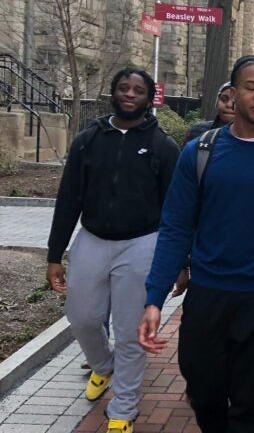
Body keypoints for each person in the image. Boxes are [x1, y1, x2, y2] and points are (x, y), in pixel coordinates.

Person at [138, 55, 254, 433]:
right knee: (203, 394)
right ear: (233, 95)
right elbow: (175, 228)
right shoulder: (200, 153)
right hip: (208, 294)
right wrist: (154, 297)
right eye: (251, 87)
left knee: (248, 402)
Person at [46, 67, 180, 433]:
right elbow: (68, 199)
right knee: (83, 317)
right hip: (92, 239)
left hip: (141, 243)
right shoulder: (88, 140)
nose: (131, 93)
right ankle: (104, 367)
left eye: (139, 89)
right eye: (124, 87)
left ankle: (123, 408)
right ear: (113, 93)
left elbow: (175, 209)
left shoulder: (163, 146)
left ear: (150, 97)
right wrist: (54, 254)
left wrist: (180, 261)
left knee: (130, 329)